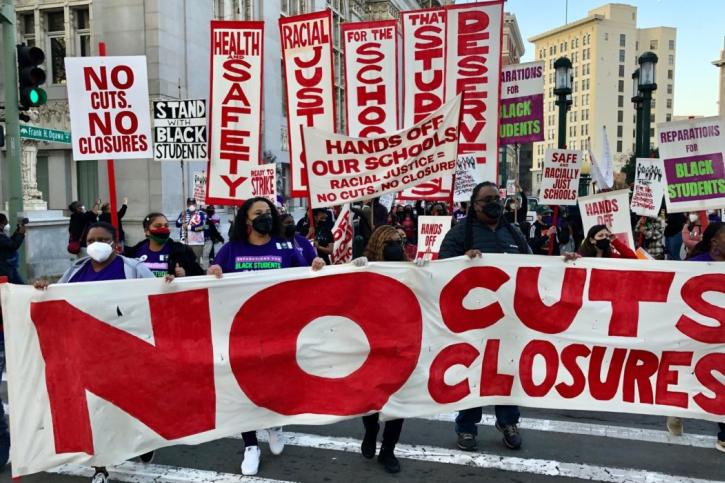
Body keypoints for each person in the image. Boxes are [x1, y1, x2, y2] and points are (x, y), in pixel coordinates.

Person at [207, 197, 324, 476]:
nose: (265, 217)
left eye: (267, 212)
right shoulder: (231, 250)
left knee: (276, 382)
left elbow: (305, 274)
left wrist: (316, 264)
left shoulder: (285, 246)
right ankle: (250, 445)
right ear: (246, 220)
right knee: (243, 388)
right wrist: (213, 272)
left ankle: (273, 422)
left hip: (279, 330)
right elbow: (211, 279)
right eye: (258, 213)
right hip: (242, 333)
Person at [34, 222, 157, 483]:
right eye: (91, 239)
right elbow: (56, 298)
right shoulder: (76, 270)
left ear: (115, 243)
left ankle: (143, 443)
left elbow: (156, 298)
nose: (96, 243)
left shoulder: (133, 269)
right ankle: (100, 467)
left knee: (131, 405)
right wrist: (43, 289)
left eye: (102, 238)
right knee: (96, 411)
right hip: (86, 353)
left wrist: (168, 283)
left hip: (126, 351)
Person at [438, 181, 530, 452]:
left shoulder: (513, 233)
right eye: (487, 199)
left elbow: (533, 265)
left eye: (497, 198)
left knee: (505, 371)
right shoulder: (459, 235)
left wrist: (567, 261)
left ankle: (508, 422)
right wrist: (463, 260)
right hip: (472, 321)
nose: (494, 203)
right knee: (473, 373)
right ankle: (466, 426)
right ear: (474, 205)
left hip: (507, 320)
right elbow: (442, 267)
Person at [666, 222, 724, 453]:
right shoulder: (692, 266)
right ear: (714, 243)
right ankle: (677, 410)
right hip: (696, 336)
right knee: (692, 378)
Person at [357, 225, 410, 473]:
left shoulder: (411, 269)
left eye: (399, 241)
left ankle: (388, 451)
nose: (396, 247)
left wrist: (426, 273)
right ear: (378, 244)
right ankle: (370, 430)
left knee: (398, 403)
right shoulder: (363, 269)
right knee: (370, 400)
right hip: (370, 348)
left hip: (402, 348)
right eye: (389, 242)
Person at [124, 213, 204, 278]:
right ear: (147, 231)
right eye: (158, 226)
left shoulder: (182, 251)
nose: (163, 228)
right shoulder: (135, 253)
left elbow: (199, 275)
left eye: (166, 226)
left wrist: (185, 274)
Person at [176, 198, 206, 262]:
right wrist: (181, 218)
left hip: (196, 242)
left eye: (193, 203)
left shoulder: (201, 213)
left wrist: (189, 227)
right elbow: (177, 224)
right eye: (189, 204)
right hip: (184, 241)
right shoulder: (184, 213)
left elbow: (203, 226)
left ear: (195, 204)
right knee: (184, 261)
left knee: (195, 261)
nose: (191, 205)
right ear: (187, 205)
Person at [0, 214, 26, 284]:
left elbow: (9, 242)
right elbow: (13, 245)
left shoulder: (2, 235)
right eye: (5, 223)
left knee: (20, 286)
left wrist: (17, 233)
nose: (6, 225)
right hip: (4, 268)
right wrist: (20, 234)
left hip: (8, 266)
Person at [202, 205, 225, 269]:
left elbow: (215, 230)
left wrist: (220, 238)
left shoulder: (213, 219)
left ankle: (207, 268)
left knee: (208, 255)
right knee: (203, 256)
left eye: (212, 209)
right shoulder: (201, 220)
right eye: (210, 209)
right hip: (199, 241)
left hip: (209, 240)